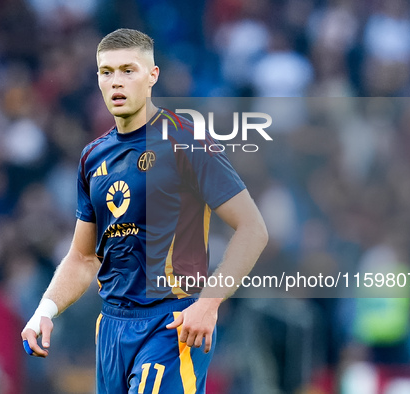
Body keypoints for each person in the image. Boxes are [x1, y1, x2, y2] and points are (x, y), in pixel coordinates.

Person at [21, 28, 268, 393]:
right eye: (107, 72)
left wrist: (208, 304)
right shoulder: (93, 157)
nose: (116, 82)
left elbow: (252, 228)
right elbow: (84, 257)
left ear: (152, 77)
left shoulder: (186, 140)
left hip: (171, 321)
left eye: (128, 70)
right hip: (112, 328)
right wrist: (45, 309)